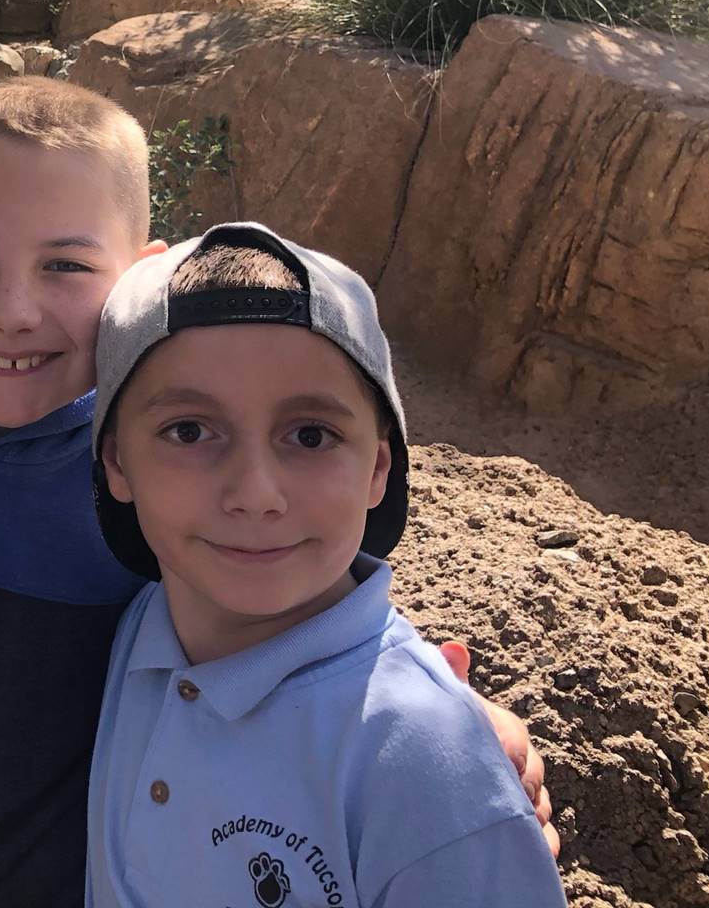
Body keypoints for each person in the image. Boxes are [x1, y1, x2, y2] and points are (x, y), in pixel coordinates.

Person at [0, 78, 552, 908]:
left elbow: (286, 595)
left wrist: (451, 730)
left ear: (141, 277)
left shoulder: (159, 468)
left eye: (65, 265)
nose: (15, 309)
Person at [87, 222, 567, 906]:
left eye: (311, 435)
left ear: (378, 467)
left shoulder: (427, 766)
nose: (255, 493)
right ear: (115, 462)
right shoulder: (135, 625)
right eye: (189, 431)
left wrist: (448, 744)